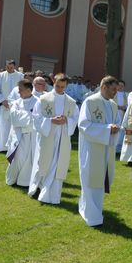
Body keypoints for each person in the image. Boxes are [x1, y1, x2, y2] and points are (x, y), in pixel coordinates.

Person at [28, 73, 79, 204]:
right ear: (53, 82)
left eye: (63, 87)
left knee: (58, 165)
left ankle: (53, 194)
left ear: (66, 86)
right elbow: (36, 117)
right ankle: (37, 188)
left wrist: (66, 120)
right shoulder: (44, 99)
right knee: (43, 162)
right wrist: (51, 121)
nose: (60, 89)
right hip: (47, 135)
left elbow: (75, 118)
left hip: (63, 137)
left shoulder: (71, 103)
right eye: (57, 86)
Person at [77, 76, 120, 226]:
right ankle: (92, 216)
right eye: (113, 89)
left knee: (101, 181)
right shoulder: (90, 102)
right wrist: (108, 129)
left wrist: (115, 129)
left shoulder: (113, 105)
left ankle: (94, 210)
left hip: (106, 148)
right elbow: (83, 125)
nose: (116, 92)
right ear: (103, 87)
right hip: (92, 148)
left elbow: (117, 122)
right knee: (90, 179)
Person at [5, 79, 39, 187]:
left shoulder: (38, 102)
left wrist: (25, 117)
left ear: (29, 90)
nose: (18, 92)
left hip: (32, 136)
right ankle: (12, 179)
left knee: (30, 159)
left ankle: (25, 181)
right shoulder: (16, 102)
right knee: (17, 158)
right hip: (17, 135)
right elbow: (14, 118)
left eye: (21, 89)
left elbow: (37, 119)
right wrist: (29, 115)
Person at [0, 60, 24, 152]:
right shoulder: (0, 76)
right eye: (8, 67)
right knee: (3, 125)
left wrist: (17, 102)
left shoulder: (20, 76)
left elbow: (23, 89)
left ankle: (15, 146)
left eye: (11, 67)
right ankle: (3, 147)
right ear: (5, 66)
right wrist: (2, 101)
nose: (9, 69)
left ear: (14, 66)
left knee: (15, 126)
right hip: (4, 105)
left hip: (17, 105)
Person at [115, 80, 128, 153]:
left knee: (121, 132)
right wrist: (118, 107)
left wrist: (124, 108)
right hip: (116, 114)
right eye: (119, 85)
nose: (120, 87)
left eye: (122, 85)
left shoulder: (125, 95)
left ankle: (119, 150)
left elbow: (127, 105)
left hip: (122, 114)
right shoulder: (114, 93)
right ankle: (114, 148)